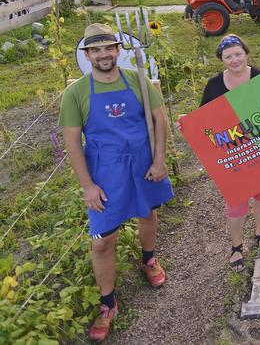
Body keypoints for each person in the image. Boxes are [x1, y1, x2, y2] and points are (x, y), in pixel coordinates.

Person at [60, 24, 174, 341]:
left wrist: (159, 159)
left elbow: (159, 118)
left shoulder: (137, 81)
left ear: (117, 51)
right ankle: (108, 302)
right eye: (96, 50)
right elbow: (71, 142)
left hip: (142, 162)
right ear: (87, 55)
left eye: (108, 48)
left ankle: (149, 259)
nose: (104, 55)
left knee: (148, 214)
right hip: (105, 173)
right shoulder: (76, 93)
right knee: (102, 241)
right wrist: (87, 185)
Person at [198, 35, 260, 271]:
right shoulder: (214, 85)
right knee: (236, 204)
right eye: (228, 56)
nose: (234, 60)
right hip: (233, 155)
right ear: (221, 59)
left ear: (246, 53)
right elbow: (202, 120)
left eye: (238, 54)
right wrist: (186, 124)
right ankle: (236, 246)